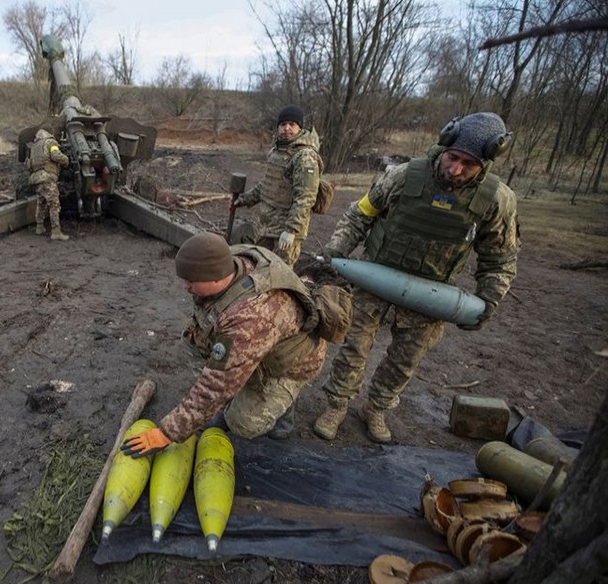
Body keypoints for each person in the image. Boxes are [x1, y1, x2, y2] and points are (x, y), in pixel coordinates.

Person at [313, 112, 519, 443]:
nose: (455, 170)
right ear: (444, 144)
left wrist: (489, 299)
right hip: (375, 277)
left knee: (405, 359)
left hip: (432, 293)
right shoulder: (404, 176)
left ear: (486, 163)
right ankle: (337, 404)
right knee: (353, 347)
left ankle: (377, 407)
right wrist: (336, 252)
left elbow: (500, 257)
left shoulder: (496, 200)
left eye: (468, 164)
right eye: (452, 158)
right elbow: (360, 214)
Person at [120, 232, 351, 458]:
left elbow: (215, 386)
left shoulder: (250, 317)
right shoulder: (229, 260)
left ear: (215, 279)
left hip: (292, 363)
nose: (185, 287)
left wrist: (166, 433)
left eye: (191, 281)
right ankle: (241, 384)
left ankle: (285, 405)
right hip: (260, 343)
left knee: (242, 423)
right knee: (192, 341)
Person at [232, 105, 323, 266]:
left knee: (279, 274)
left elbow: (305, 197)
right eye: (283, 124)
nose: (286, 128)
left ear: (300, 127)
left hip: (285, 230)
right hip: (267, 225)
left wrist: (291, 230)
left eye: (292, 124)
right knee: (258, 267)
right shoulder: (278, 150)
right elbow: (268, 184)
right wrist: (245, 199)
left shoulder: (305, 156)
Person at [28, 128, 71, 241]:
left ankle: (39, 227)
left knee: (41, 203)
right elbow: (56, 155)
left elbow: (29, 165)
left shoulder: (34, 147)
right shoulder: (50, 142)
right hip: (47, 177)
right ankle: (56, 231)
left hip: (37, 179)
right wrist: (66, 160)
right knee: (54, 204)